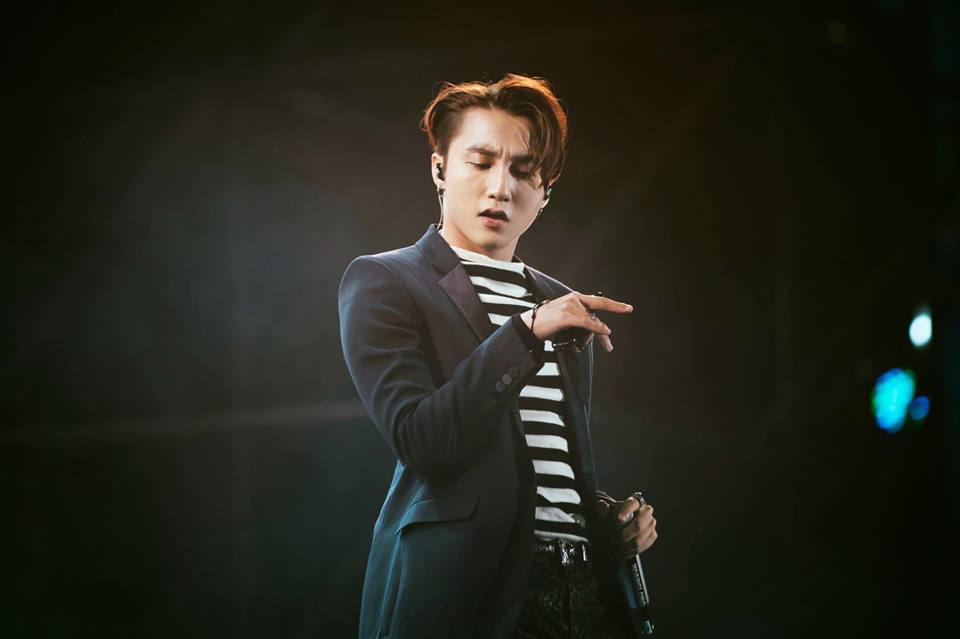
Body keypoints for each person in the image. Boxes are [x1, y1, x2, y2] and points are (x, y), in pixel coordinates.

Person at [338, 73, 658, 639]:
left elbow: (536, 457)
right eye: (481, 162)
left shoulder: (558, 300)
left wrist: (602, 519)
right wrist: (527, 332)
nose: (501, 187)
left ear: (546, 191)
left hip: (582, 591)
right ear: (439, 169)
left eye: (524, 171)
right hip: (469, 592)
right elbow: (423, 440)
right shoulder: (386, 279)